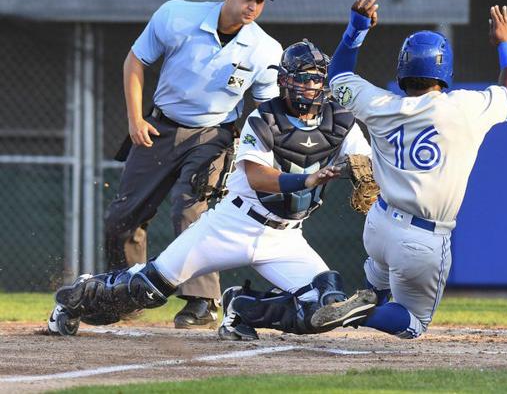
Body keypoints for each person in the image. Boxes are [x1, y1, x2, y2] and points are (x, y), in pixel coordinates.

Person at [48, 40, 378, 339]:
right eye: (303, 78)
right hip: (232, 224)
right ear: (284, 80)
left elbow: (363, 161)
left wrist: (366, 175)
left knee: (323, 304)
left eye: (317, 78)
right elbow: (256, 176)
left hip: (285, 237)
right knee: (149, 288)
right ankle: (77, 296)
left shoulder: (341, 121)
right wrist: (306, 180)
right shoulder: (264, 118)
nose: (310, 86)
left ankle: (244, 309)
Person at [314, 0, 507, 339]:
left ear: (403, 70)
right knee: (413, 324)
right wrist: (506, 45)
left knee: (378, 286)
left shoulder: (379, 104)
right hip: (422, 238)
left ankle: (363, 302)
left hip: (379, 223)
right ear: (444, 71)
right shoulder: (465, 108)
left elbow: (338, 76)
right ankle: (362, 314)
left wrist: (357, 29)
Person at [104, 0, 283, 329]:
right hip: (160, 126)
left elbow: (267, 109)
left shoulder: (265, 48)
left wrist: (261, 155)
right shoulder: (176, 15)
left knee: (190, 209)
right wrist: (136, 120)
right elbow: (135, 60)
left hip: (214, 134)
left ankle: (202, 301)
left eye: (260, 1)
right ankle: (126, 294)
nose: (253, 6)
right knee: (123, 218)